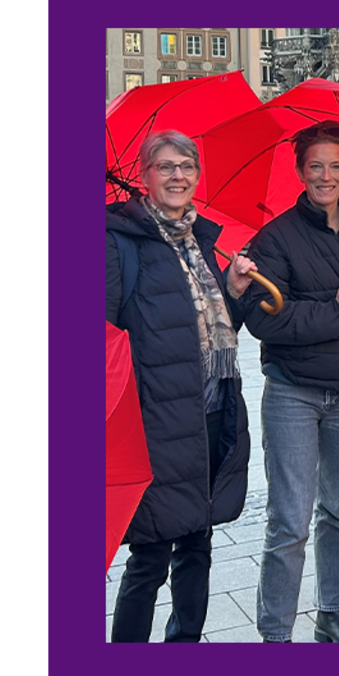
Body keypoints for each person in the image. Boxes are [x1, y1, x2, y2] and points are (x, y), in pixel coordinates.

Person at [238, 120, 339, 643]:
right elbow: (265, 320)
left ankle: (331, 613)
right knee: (289, 521)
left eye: (335, 166)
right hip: (294, 392)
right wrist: (334, 310)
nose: (326, 176)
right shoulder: (276, 237)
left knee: (338, 510)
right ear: (300, 171)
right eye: (315, 166)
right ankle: (276, 636)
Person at [107, 130, 254, 642]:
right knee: (150, 552)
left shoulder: (201, 240)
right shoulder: (118, 241)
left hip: (211, 413)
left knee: (198, 543)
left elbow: (212, 332)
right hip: (154, 421)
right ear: (144, 176)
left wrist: (233, 293)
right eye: (166, 166)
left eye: (187, 166)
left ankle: (184, 647)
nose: (178, 176)